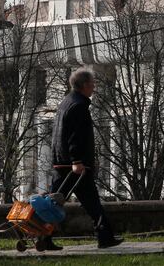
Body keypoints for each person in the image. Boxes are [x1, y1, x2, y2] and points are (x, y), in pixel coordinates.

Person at [39, 67, 122, 251]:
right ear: (84, 85)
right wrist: (77, 161)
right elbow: (75, 137)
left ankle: (45, 237)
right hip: (74, 165)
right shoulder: (79, 106)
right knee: (86, 203)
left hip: (62, 162)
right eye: (92, 83)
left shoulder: (66, 102)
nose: (94, 87)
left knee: (56, 202)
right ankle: (104, 237)